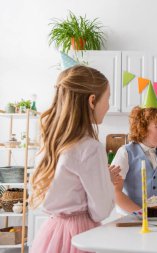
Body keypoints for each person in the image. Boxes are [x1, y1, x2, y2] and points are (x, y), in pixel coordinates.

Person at [30, 65, 121, 253]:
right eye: (108, 97)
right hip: (79, 234)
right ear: (92, 100)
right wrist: (107, 182)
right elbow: (101, 211)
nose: (109, 105)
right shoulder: (90, 148)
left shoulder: (50, 142)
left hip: (53, 232)